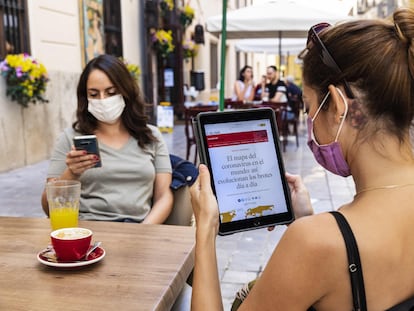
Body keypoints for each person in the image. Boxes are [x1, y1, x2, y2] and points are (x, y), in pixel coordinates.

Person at [189, 7, 414, 310]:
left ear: (336, 106)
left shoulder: (314, 244)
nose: (309, 119)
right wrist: (309, 220)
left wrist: (204, 231)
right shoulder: (322, 239)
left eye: (309, 107)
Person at [41, 54, 173, 224]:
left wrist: (144, 230)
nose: (103, 101)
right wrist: (72, 174)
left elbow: (164, 196)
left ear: (126, 92)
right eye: (94, 94)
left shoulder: (151, 136)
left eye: (111, 92)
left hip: (139, 231)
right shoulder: (70, 138)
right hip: (87, 233)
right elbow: (48, 207)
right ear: (85, 97)